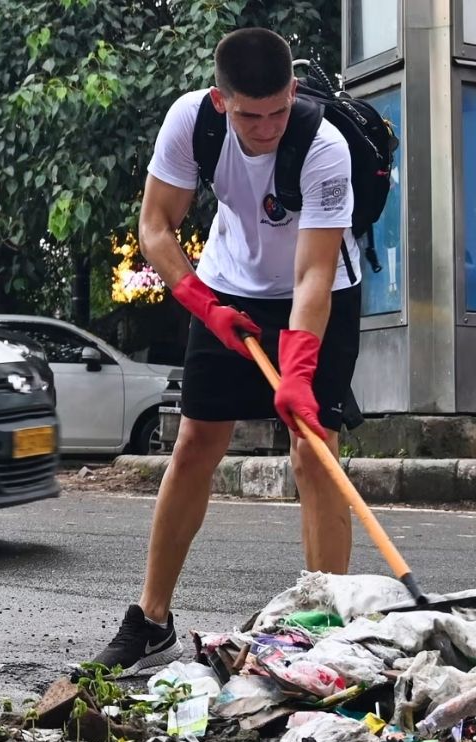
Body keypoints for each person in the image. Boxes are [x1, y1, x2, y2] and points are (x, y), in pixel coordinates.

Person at [84, 28, 364, 676]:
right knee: (194, 444)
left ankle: (324, 623)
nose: (266, 128)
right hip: (229, 285)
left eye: (278, 111)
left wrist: (296, 370)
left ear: (293, 92)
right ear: (221, 101)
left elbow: (314, 275)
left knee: (313, 451)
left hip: (320, 295)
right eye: (249, 115)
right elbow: (155, 227)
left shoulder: (325, 147)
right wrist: (203, 303)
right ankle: (151, 621)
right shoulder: (190, 122)